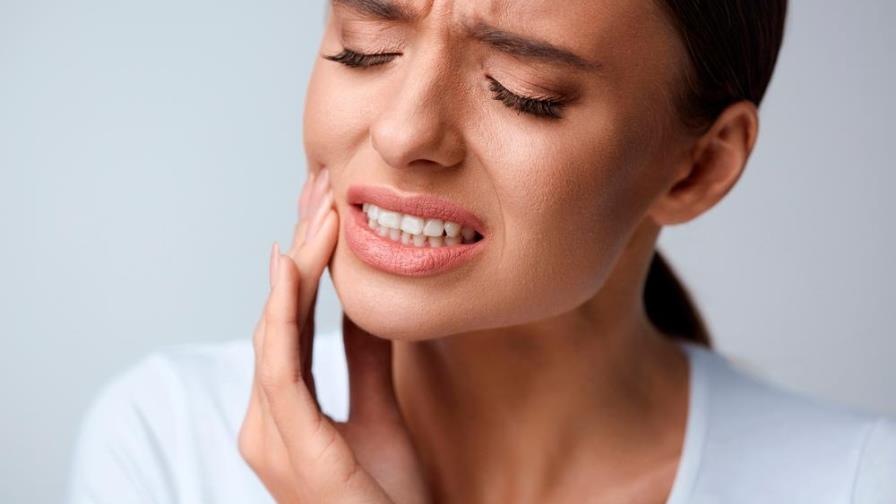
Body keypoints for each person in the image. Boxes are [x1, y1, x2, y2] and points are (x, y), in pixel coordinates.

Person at [66, 1, 896, 502]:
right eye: (366, 44)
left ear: (699, 165)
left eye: (523, 93)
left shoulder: (856, 484)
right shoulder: (167, 443)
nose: (400, 131)